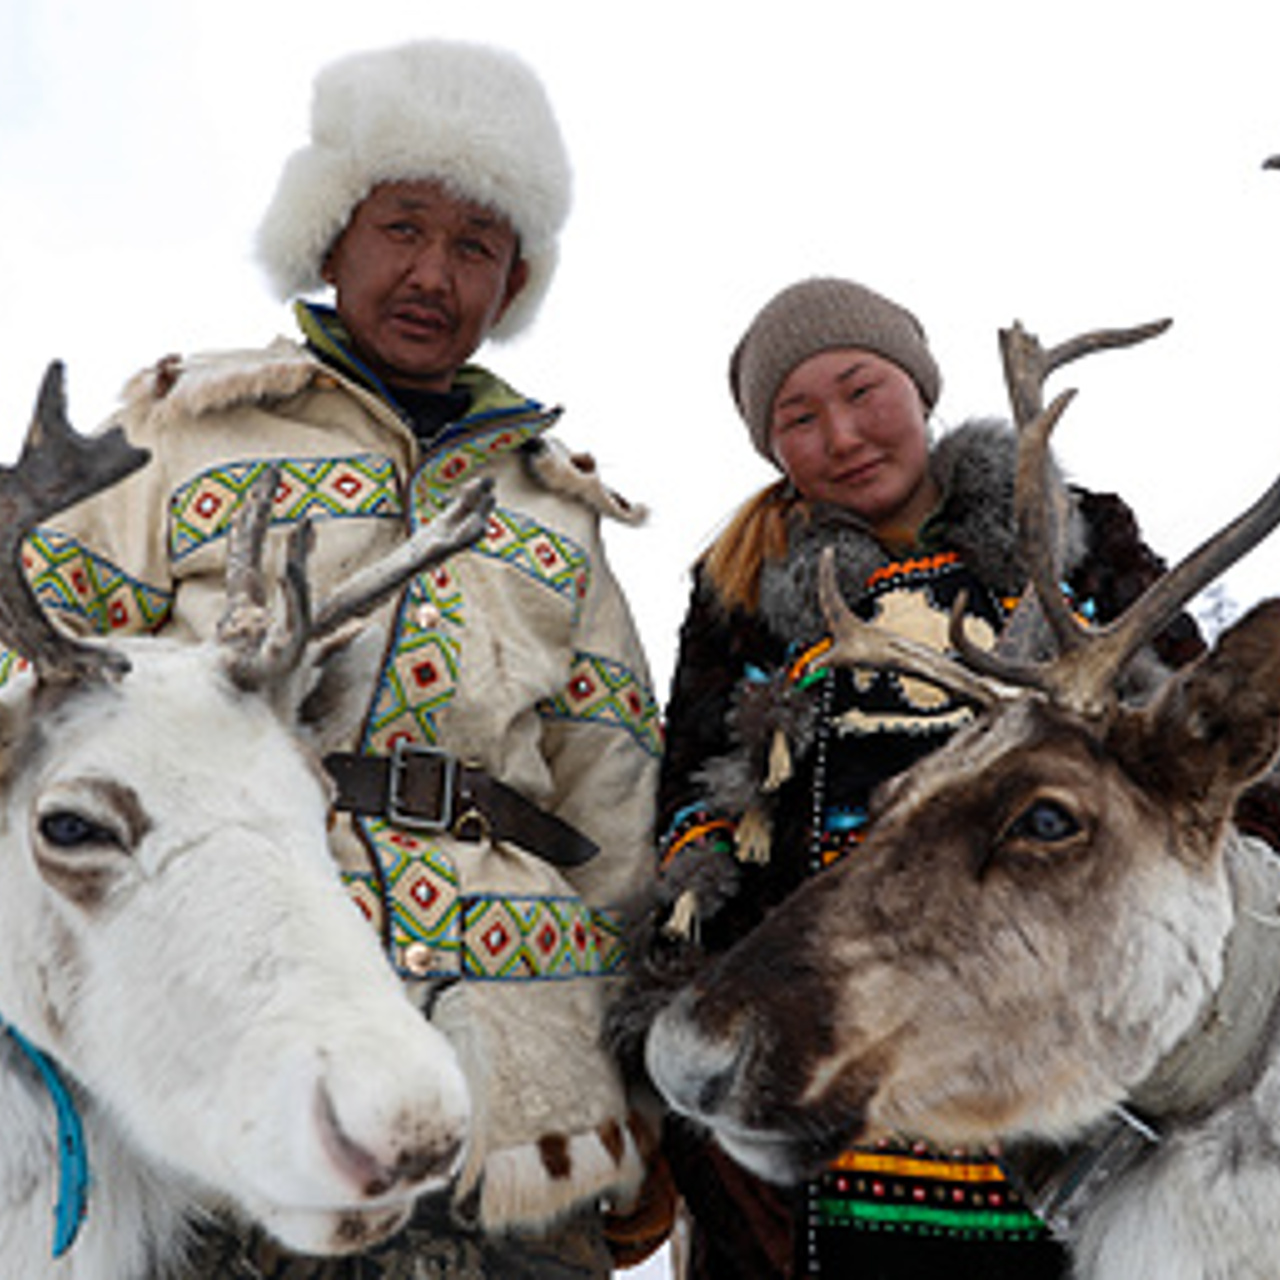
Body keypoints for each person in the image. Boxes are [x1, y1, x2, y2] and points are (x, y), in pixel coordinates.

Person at [21, 39, 663, 1278]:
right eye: (401, 227)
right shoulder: (181, 430)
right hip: (226, 1031)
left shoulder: (557, 507)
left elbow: (611, 790)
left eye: (476, 247)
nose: (432, 272)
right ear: (331, 241)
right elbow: (23, 697)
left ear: (512, 280)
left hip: (514, 1070)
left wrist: (626, 1081)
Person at [624, 276, 1251, 1279]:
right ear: (773, 448)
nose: (841, 433)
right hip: (815, 1011)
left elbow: (1186, 745)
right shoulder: (741, 587)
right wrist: (698, 983)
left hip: (1033, 1012)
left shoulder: (1074, 537)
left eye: (861, 388)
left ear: (918, 390)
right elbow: (694, 799)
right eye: (797, 416)